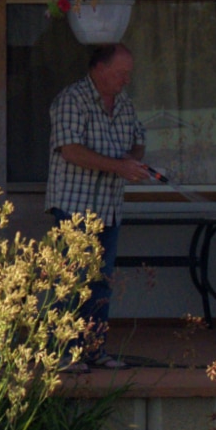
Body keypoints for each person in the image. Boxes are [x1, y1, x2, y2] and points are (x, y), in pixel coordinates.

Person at [46, 43, 149, 370]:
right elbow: (71, 151)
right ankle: (63, 353)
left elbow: (139, 137)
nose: (125, 80)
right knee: (71, 281)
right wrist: (119, 167)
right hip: (73, 206)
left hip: (110, 207)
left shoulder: (124, 104)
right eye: (121, 73)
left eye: (128, 74)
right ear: (99, 69)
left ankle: (94, 351)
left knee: (101, 281)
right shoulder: (72, 99)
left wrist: (133, 160)